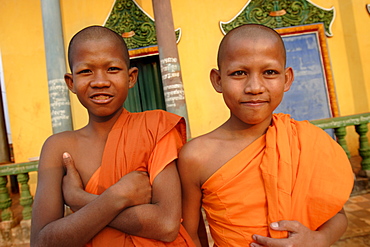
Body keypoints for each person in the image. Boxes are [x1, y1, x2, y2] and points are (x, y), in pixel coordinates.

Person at [178, 24, 354, 247]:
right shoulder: (196, 156)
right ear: (218, 80)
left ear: (287, 78)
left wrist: (319, 239)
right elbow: (189, 234)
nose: (255, 87)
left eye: (269, 72)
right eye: (239, 73)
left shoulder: (307, 142)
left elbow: (337, 215)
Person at [31, 25, 194, 247]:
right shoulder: (58, 148)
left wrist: (80, 201)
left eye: (112, 69)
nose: (100, 81)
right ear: (71, 83)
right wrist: (117, 197)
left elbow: (166, 225)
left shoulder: (156, 128)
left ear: (131, 77)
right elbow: (42, 242)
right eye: (86, 71)